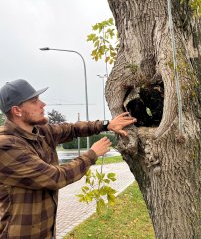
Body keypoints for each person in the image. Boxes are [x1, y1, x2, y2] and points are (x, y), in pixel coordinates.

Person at [0, 79, 136, 239]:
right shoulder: (6, 146)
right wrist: (92, 154)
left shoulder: (40, 132)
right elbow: (54, 177)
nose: (42, 104)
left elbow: (71, 129)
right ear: (17, 111)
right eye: (34, 101)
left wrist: (106, 125)